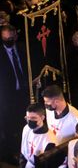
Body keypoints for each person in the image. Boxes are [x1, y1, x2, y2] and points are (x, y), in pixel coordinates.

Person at [0, 24, 28, 162]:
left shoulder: (23, 48)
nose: (8, 41)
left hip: (24, 92)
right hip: (8, 96)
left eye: (10, 38)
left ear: (15, 36)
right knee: (11, 125)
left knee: (25, 123)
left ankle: (27, 149)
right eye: (5, 39)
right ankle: (14, 153)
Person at [20, 103, 56, 168]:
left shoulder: (49, 140)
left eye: (33, 118)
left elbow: (46, 165)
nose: (30, 121)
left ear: (42, 118)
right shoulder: (26, 128)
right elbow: (23, 153)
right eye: (28, 118)